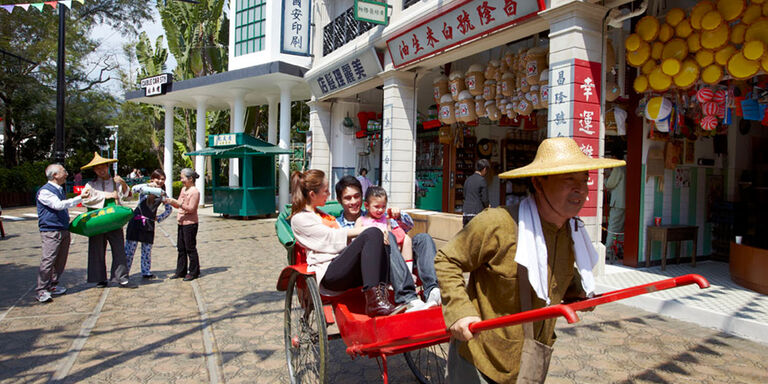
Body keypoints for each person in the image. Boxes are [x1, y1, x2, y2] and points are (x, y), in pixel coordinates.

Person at [435, 137, 625, 383]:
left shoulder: (570, 233)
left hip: (531, 360)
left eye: (584, 180)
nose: (581, 189)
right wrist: (460, 311)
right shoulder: (497, 223)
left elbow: (554, 272)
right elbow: (447, 258)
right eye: (569, 180)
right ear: (538, 182)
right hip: (482, 357)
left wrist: (578, 290)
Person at [290, 169, 400, 317]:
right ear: (312, 194)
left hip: (345, 267)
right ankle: (374, 303)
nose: (328, 194)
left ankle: (388, 295)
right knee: (372, 233)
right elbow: (330, 238)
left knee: (382, 239)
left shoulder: (324, 215)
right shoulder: (300, 219)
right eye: (326, 191)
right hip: (330, 273)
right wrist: (367, 230)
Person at [335, 176, 441, 312]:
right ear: (339, 200)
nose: (354, 201)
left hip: (397, 259)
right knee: (384, 235)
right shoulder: (338, 225)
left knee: (423, 239)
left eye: (357, 196)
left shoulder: (377, 213)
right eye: (348, 198)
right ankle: (408, 297)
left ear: (363, 199)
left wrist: (398, 214)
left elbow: (407, 227)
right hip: (371, 268)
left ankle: (433, 291)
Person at [80, 153, 137, 289]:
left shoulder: (115, 182)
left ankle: (121, 277)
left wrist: (122, 183)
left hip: (113, 221)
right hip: (97, 221)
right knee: (96, 249)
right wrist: (107, 195)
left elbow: (127, 196)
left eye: (103, 167)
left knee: (118, 249)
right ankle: (99, 278)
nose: (101, 170)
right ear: (94, 170)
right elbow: (85, 199)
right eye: (97, 168)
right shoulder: (90, 184)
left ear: (107, 167)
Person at [35, 164, 89, 303]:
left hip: (63, 229)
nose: (66, 173)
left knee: (60, 260)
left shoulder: (59, 189)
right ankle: (41, 290)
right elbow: (58, 205)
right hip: (51, 231)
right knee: (48, 260)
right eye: (63, 171)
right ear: (55, 175)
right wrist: (79, 198)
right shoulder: (45, 191)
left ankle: (53, 285)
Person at [124, 169, 173, 279]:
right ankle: (124, 273)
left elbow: (169, 209)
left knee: (146, 250)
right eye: (157, 178)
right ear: (152, 179)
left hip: (149, 224)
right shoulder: (145, 189)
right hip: (136, 221)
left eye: (162, 179)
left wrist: (159, 218)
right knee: (129, 250)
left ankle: (146, 272)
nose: (160, 181)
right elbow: (134, 189)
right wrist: (148, 185)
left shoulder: (162, 194)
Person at [166, 168, 201, 281]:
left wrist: (179, 204)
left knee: (190, 248)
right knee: (181, 248)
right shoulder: (183, 189)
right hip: (181, 222)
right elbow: (179, 204)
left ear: (190, 179)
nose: (181, 180)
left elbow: (191, 208)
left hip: (190, 223)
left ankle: (194, 271)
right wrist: (172, 203)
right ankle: (181, 271)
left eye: (183, 178)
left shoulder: (194, 192)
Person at [604, 160, 626, 262]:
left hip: (618, 202)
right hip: (625, 202)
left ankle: (608, 250)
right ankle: (620, 249)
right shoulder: (627, 167)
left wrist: (605, 179)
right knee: (621, 228)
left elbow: (610, 184)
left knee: (612, 227)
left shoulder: (618, 168)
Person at [463, 159, 490, 227]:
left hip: (466, 212)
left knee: (467, 236)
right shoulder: (482, 181)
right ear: (484, 169)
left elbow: (464, 195)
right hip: (476, 213)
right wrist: (488, 206)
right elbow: (485, 199)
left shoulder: (468, 179)